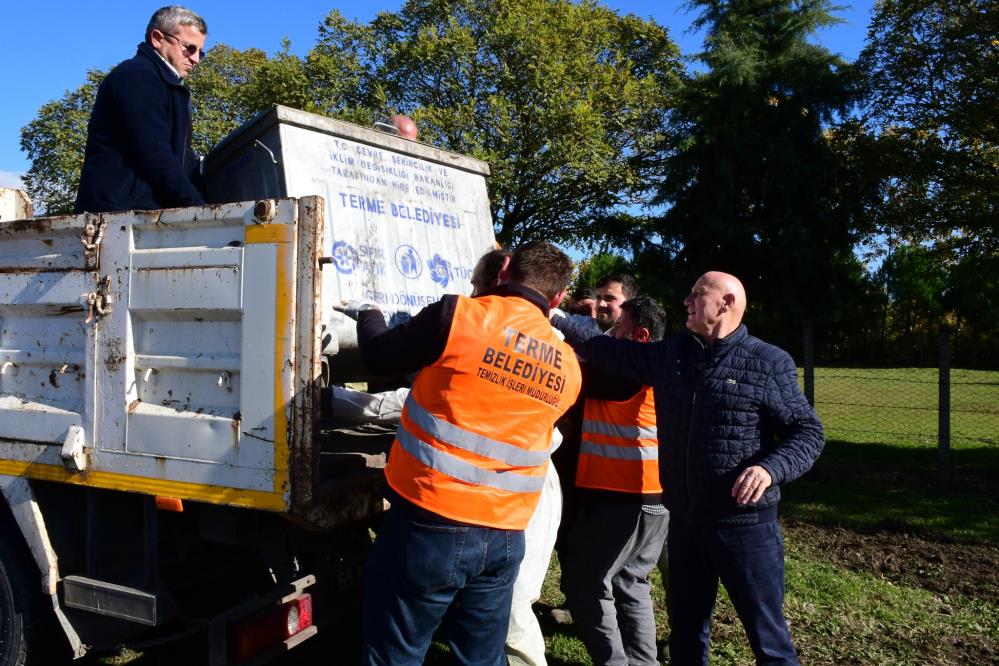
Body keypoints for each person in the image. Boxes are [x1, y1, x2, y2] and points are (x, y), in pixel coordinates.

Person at [552, 271, 824, 665]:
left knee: (768, 638)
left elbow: (808, 432)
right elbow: (608, 353)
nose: (687, 300)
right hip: (685, 523)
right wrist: (552, 317)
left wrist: (770, 469)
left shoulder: (767, 361)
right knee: (687, 634)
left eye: (699, 293)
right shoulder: (673, 353)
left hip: (744, 526)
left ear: (727, 303)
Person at [353, 241, 583, 665]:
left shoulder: (460, 316)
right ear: (557, 299)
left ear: (505, 269)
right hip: (505, 536)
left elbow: (378, 357)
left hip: (429, 524)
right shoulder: (569, 366)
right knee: (480, 658)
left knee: (395, 654)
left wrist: (367, 308)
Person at [560, 297, 668, 666]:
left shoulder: (626, 373)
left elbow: (568, 373)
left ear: (640, 336)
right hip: (653, 499)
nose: (608, 336)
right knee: (631, 583)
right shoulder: (657, 370)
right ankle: (644, 662)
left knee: (584, 583)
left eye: (617, 330)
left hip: (619, 497)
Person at [75, 6, 207, 214]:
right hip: (117, 218)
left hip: (141, 216)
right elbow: (154, 153)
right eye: (189, 48)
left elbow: (181, 158)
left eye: (201, 52)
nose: (196, 59)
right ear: (157, 38)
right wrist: (199, 209)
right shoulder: (137, 78)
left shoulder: (168, 86)